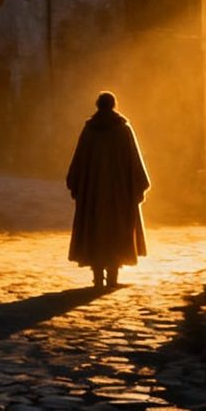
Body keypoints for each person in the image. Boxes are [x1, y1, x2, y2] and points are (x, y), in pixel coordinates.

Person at [65, 90, 149, 289]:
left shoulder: (90, 131)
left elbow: (78, 163)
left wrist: (77, 185)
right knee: (117, 231)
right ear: (113, 105)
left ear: (98, 106)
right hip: (119, 196)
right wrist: (137, 187)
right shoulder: (123, 130)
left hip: (93, 197)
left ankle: (97, 277)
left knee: (95, 231)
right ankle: (113, 276)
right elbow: (135, 163)